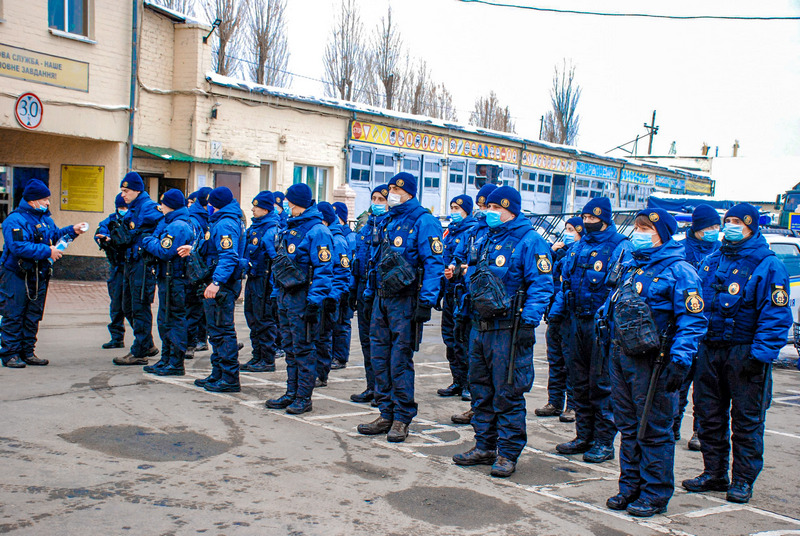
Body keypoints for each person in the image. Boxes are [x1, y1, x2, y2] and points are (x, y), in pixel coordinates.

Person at [683, 203, 792, 504]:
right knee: (708, 416)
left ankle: (743, 480)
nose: (730, 226)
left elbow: (776, 315)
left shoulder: (767, 264)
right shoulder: (711, 260)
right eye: (727, 220)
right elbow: (695, 306)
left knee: (746, 421)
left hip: (745, 352)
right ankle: (714, 473)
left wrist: (760, 355)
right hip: (709, 349)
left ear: (751, 226)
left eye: (736, 222)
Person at [602, 209, 707, 517]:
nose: (639, 233)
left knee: (654, 428)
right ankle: (629, 487)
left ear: (663, 232)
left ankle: (655, 493)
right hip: (622, 357)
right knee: (629, 425)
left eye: (645, 228)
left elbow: (693, 320)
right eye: (636, 227)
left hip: (655, 362)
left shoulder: (680, 271)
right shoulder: (632, 266)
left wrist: (680, 359)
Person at [452, 186, 553, 477]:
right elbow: (474, 278)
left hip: (508, 331)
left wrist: (528, 323)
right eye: (488, 207)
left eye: (496, 208)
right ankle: (484, 445)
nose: (489, 213)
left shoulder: (530, 241)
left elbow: (542, 286)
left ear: (512, 210)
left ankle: (507, 453)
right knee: (481, 391)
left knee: (507, 393)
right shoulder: (485, 238)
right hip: (480, 327)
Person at [357, 172, 444, 443]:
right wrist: (370, 293)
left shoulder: (423, 220)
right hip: (382, 299)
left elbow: (434, 264)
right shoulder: (387, 220)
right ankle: (385, 411)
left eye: (396, 188)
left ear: (409, 192)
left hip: (405, 301)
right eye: (390, 187)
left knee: (399, 360)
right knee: (379, 357)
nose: (391, 192)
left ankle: (402, 418)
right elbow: (376, 260)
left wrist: (427, 301)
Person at [556, 197, 631, 463]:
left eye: (592, 218)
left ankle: (603, 442)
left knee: (601, 384)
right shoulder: (578, 247)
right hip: (575, 320)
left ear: (605, 219)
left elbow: (623, 289)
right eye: (584, 218)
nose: (587, 222)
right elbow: (565, 280)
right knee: (578, 381)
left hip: (602, 326)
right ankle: (583, 436)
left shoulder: (621, 247)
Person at [0, 179, 87, 368]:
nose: (48, 202)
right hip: (16, 274)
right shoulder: (14, 220)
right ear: (32, 200)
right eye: (44, 199)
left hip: (38, 274)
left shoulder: (44, 218)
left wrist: (72, 230)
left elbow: (54, 235)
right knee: (14, 313)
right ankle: (10, 354)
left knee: (33, 314)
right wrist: (48, 252)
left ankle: (27, 352)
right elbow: (18, 247)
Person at [264, 183, 334, 414]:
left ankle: (304, 397)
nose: (285, 204)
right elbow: (281, 265)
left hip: (303, 298)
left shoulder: (317, 230)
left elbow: (323, 270)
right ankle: (291, 392)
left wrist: (315, 301)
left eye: (288, 200)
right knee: (290, 348)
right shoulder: (291, 227)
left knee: (303, 348)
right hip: (286, 297)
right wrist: (276, 294)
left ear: (297, 202)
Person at [180, 186, 245, 392]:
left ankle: (229, 378)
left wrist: (216, 283)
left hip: (222, 286)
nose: (207, 207)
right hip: (218, 283)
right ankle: (218, 374)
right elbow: (214, 251)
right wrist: (194, 249)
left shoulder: (225, 223)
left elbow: (228, 256)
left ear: (214, 205)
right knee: (216, 332)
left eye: (209, 204)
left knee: (223, 331)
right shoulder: (222, 220)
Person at [448, 183, 499, 425]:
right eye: (481, 205)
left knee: (492, 366)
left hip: (492, 307)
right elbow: (459, 258)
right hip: (467, 300)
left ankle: (488, 410)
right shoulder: (474, 233)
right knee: (468, 351)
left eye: (488, 205)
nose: (483, 210)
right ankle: (474, 404)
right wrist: (456, 269)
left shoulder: (499, 235)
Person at [676, 203, 721, 451]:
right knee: (677, 381)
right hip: (682, 326)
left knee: (705, 389)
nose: (714, 231)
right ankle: (672, 426)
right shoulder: (680, 250)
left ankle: (698, 432)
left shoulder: (722, 252)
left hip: (710, 330)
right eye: (710, 227)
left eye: (717, 226)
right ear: (698, 227)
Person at [140, 189, 194, 376]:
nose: (160, 206)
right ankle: (166, 359)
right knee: (165, 319)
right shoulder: (169, 222)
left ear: (169, 205)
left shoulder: (177, 226)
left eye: (162, 203)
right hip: (167, 277)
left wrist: (147, 242)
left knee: (174, 319)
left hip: (175, 278)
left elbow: (165, 250)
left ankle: (175, 362)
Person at [113, 172, 164, 366]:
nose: (123, 195)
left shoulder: (148, 206)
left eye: (126, 191)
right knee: (127, 306)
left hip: (143, 263)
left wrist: (147, 241)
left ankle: (140, 350)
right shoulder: (134, 207)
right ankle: (147, 343)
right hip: (131, 262)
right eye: (122, 191)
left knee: (139, 307)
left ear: (136, 190)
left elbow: (162, 223)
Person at [535, 216, 583, 422]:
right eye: (567, 229)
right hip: (554, 314)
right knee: (555, 360)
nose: (567, 233)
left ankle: (572, 405)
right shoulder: (559, 253)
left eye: (572, 229)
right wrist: (553, 253)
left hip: (570, 316)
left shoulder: (580, 254)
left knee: (571, 363)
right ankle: (554, 401)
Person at [349, 184, 390, 404]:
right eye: (374, 198)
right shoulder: (365, 227)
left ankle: (383, 390)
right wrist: (352, 288)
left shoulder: (389, 226)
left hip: (379, 290)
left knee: (380, 344)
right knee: (366, 342)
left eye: (381, 199)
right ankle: (371, 386)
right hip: (362, 288)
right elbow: (358, 260)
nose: (376, 202)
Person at [438, 194, 479, 399]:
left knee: (463, 339)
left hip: (464, 293)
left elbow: (467, 262)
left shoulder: (471, 231)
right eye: (452, 207)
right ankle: (457, 380)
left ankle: (468, 384)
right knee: (450, 338)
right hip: (450, 291)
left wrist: (457, 269)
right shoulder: (450, 232)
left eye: (458, 208)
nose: (454, 211)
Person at [240, 191, 281, 373]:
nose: (252, 209)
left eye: (256, 207)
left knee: (264, 320)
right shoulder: (255, 228)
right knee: (252, 318)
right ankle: (257, 356)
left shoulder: (271, 229)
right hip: (253, 278)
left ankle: (267, 359)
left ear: (265, 209)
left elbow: (276, 260)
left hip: (264, 281)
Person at [314, 201, 351, 387]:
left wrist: (333, 296)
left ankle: (321, 374)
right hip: (319, 294)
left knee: (323, 337)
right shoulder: (324, 235)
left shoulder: (338, 240)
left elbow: (343, 272)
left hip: (329, 296)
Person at [95, 193, 133, 349]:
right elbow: (100, 232)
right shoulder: (111, 220)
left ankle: (142, 339)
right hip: (117, 267)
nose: (123, 210)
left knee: (131, 305)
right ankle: (117, 337)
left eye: (125, 207)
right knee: (116, 303)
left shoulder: (134, 219)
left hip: (131, 266)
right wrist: (103, 239)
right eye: (121, 207)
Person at [184, 187, 213, 358]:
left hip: (204, 269)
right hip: (194, 269)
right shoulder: (194, 220)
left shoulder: (208, 217)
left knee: (203, 307)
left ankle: (201, 339)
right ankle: (190, 343)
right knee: (193, 307)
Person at [331, 201, 355, 370]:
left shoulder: (348, 237)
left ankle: (340, 357)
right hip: (337, 286)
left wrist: (348, 289)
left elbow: (350, 265)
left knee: (342, 324)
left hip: (346, 287)